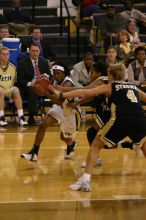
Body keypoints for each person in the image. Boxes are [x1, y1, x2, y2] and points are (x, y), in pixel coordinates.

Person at [51, 63, 146, 192]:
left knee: (96, 145)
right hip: (141, 119)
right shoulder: (133, 87)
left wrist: (61, 95)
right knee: (144, 146)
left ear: (111, 77)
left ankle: (85, 180)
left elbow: (85, 92)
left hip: (122, 118)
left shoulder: (110, 86)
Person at [20, 62, 81, 161]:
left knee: (63, 137)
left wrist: (44, 93)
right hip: (59, 108)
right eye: (55, 73)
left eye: (58, 73)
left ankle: (71, 144)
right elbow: (53, 97)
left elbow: (59, 101)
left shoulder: (68, 83)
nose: (56, 76)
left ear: (64, 73)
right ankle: (34, 152)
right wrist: (40, 88)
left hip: (71, 112)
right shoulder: (55, 81)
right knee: (43, 124)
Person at [17, 42, 51, 125]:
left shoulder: (44, 62)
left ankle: (58, 115)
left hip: (42, 87)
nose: (35, 53)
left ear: (39, 51)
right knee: (32, 89)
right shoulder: (23, 63)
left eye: (37, 51)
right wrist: (31, 84)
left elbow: (50, 76)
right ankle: (31, 117)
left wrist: (47, 77)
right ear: (29, 51)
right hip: (28, 89)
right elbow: (20, 80)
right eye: (33, 51)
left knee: (56, 88)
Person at [0, 46, 28, 126]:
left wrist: (10, 88)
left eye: (7, 54)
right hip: (0, 90)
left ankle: (21, 116)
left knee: (16, 90)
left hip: (8, 89)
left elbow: (15, 81)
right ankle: (1, 117)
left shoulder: (13, 66)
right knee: (0, 91)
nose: (6, 56)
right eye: (3, 54)